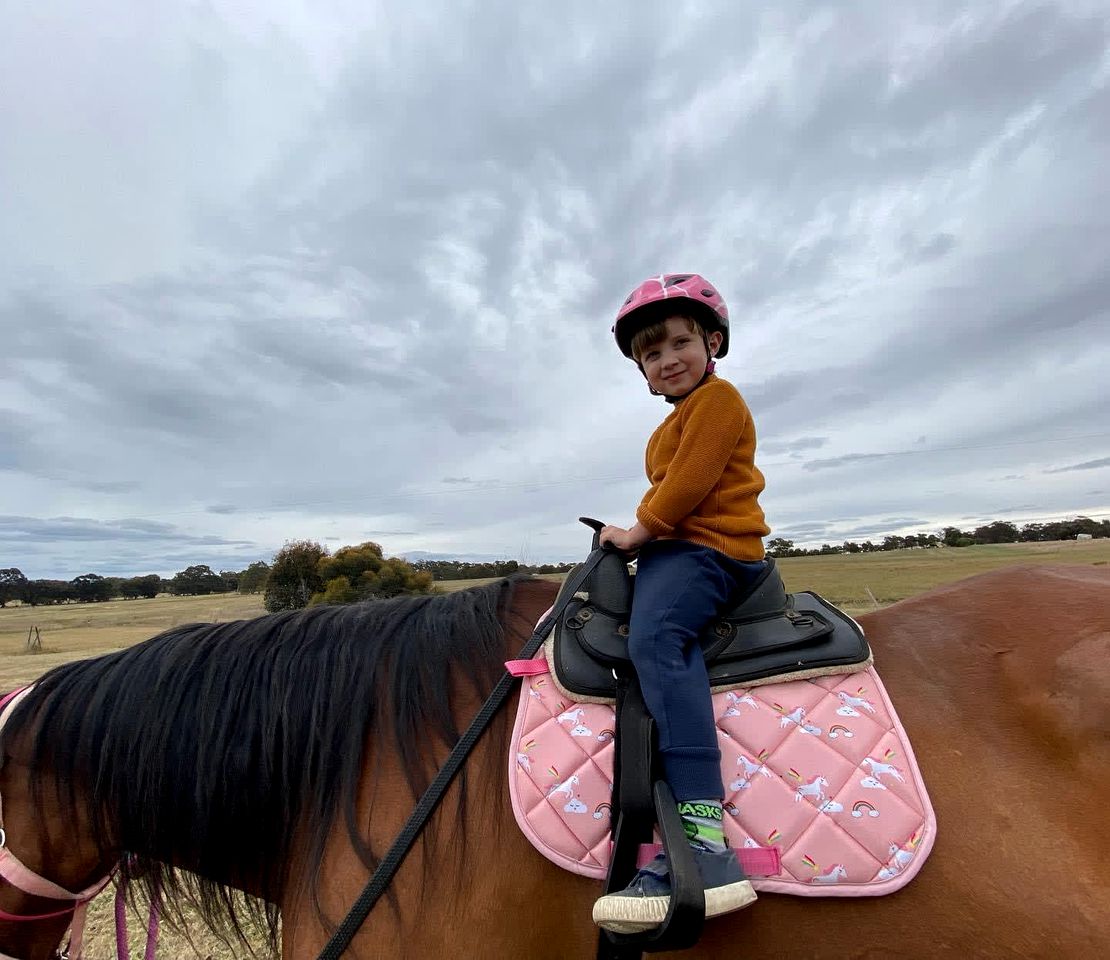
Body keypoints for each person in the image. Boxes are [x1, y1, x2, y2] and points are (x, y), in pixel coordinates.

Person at [591, 273, 770, 935]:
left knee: (656, 640)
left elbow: (691, 482)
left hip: (712, 551)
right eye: (650, 353)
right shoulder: (672, 421)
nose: (666, 359)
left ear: (711, 341)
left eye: (678, 342)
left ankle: (702, 836)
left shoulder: (719, 400)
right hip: (679, 550)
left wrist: (638, 530)